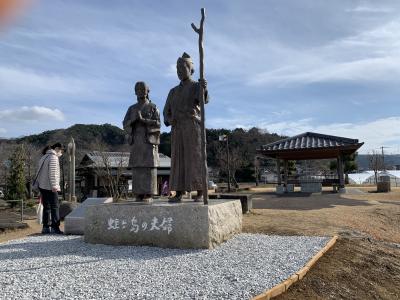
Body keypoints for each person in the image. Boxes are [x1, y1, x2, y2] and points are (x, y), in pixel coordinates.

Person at [163, 52, 208, 202]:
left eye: (182, 68)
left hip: (193, 127)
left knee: (195, 157)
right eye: (177, 69)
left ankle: (201, 190)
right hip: (177, 129)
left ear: (191, 70)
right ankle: (180, 191)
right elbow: (166, 111)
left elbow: (204, 101)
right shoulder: (173, 91)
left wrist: (204, 89)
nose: (179, 71)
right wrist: (170, 119)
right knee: (178, 159)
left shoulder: (196, 86)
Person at [123, 81, 160, 202]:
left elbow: (158, 123)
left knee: (149, 166)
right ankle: (138, 193)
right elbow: (125, 124)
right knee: (137, 166)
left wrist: (144, 120)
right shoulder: (132, 108)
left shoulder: (153, 107)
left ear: (147, 91)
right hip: (137, 141)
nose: (140, 91)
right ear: (135, 92)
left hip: (148, 140)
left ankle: (148, 193)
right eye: (137, 89)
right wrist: (133, 121)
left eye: (142, 89)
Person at [36, 143, 63, 234]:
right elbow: (53, 173)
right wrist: (54, 186)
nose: (61, 152)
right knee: (55, 206)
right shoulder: (53, 158)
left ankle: (46, 227)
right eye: (61, 150)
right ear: (57, 148)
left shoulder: (43, 157)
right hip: (50, 186)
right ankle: (55, 228)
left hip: (42, 186)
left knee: (46, 207)